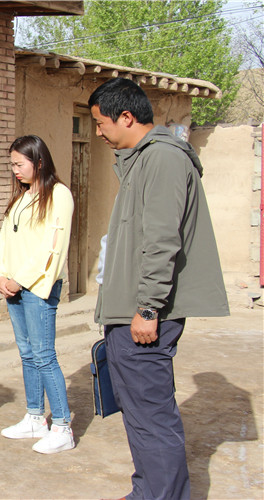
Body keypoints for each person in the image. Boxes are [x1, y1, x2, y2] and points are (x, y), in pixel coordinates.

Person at [88, 77, 229, 500]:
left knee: (152, 417)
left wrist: (148, 307)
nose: (98, 132)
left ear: (126, 117)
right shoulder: (142, 159)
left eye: (100, 123)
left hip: (145, 314)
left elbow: (162, 240)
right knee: (139, 413)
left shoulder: (163, 159)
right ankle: (147, 491)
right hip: (129, 310)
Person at [0, 135, 76, 454]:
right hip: (13, 286)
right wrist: (1, 274)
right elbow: (5, 239)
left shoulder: (59, 195)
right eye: (12, 164)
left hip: (39, 287)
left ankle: (63, 427)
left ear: (39, 162)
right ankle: (35, 417)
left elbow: (52, 248)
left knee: (43, 355)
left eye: (19, 164)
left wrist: (20, 280)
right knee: (27, 353)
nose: (15, 170)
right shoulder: (21, 197)